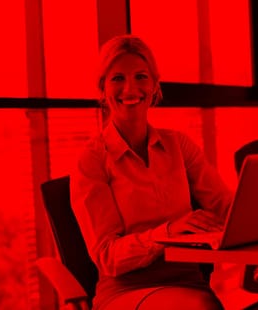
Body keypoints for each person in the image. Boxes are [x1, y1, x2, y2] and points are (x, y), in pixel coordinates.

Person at [70, 35, 233, 309]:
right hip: (127, 291)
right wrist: (167, 232)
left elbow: (225, 206)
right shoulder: (91, 160)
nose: (130, 88)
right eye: (117, 78)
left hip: (189, 282)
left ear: (155, 85)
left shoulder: (178, 145)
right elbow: (107, 257)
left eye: (141, 77)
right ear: (102, 89)